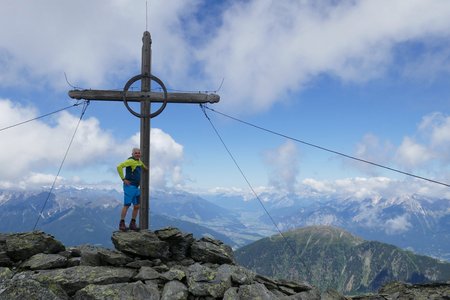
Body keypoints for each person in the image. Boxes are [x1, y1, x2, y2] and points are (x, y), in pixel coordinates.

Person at [116, 147, 148, 231]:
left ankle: (132, 223)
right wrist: (123, 179)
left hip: (136, 188)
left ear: (140, 154)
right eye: (135, 153)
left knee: (137, 206)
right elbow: (119, 166)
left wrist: (146, 168)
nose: (137, 154)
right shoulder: (130, 161)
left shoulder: (138, 161)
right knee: (127, 205)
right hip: (129, 187)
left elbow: (142, 165)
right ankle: (122, 223)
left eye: (138, 153)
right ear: (132, 154)